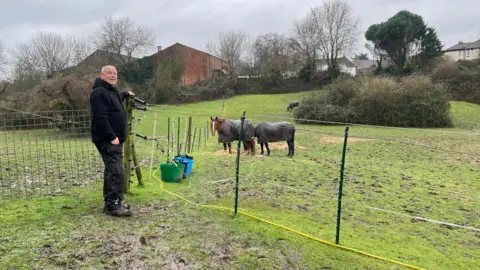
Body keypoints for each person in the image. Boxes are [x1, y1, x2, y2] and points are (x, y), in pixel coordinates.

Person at [90, 65, 135, 217]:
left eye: (115, 73)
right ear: (101, 75)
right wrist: (112, 137)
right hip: (108, 140)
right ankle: (114, 206)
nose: (113, 75)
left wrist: (125, 94)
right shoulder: (99, 93)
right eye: (109, 73)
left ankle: (111, 202)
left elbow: (115, 101)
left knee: (111, 170)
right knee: (117, 172)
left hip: (113, 139)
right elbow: (100, 119)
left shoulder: (110, 91)